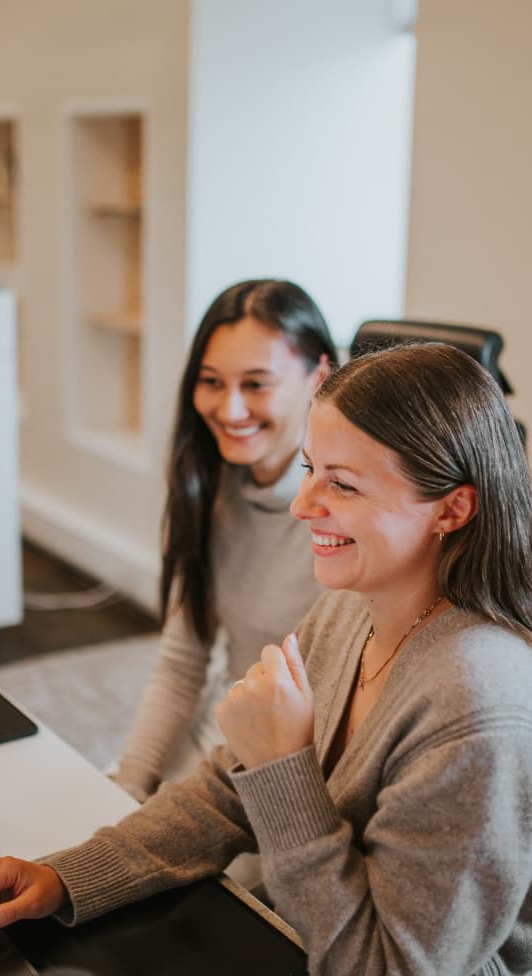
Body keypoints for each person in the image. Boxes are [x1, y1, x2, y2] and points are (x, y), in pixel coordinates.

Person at [0, 343, 532, 975]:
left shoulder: (479, 706)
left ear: (452, 508)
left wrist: (284, 769)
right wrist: (68, 876)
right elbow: (232, 788)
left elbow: (387, 964)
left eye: (343, 484)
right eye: (310, 468)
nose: (302, 505)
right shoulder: (354, 607)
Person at [112, 278, 337, 803]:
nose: (230, 410)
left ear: (319, 378)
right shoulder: (209, 485)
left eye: (256, 384)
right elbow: (181, 663)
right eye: (211, 381)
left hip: (293, 767)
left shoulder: (348, 515)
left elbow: (338, 714)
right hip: (216, 737)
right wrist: (129, 784)